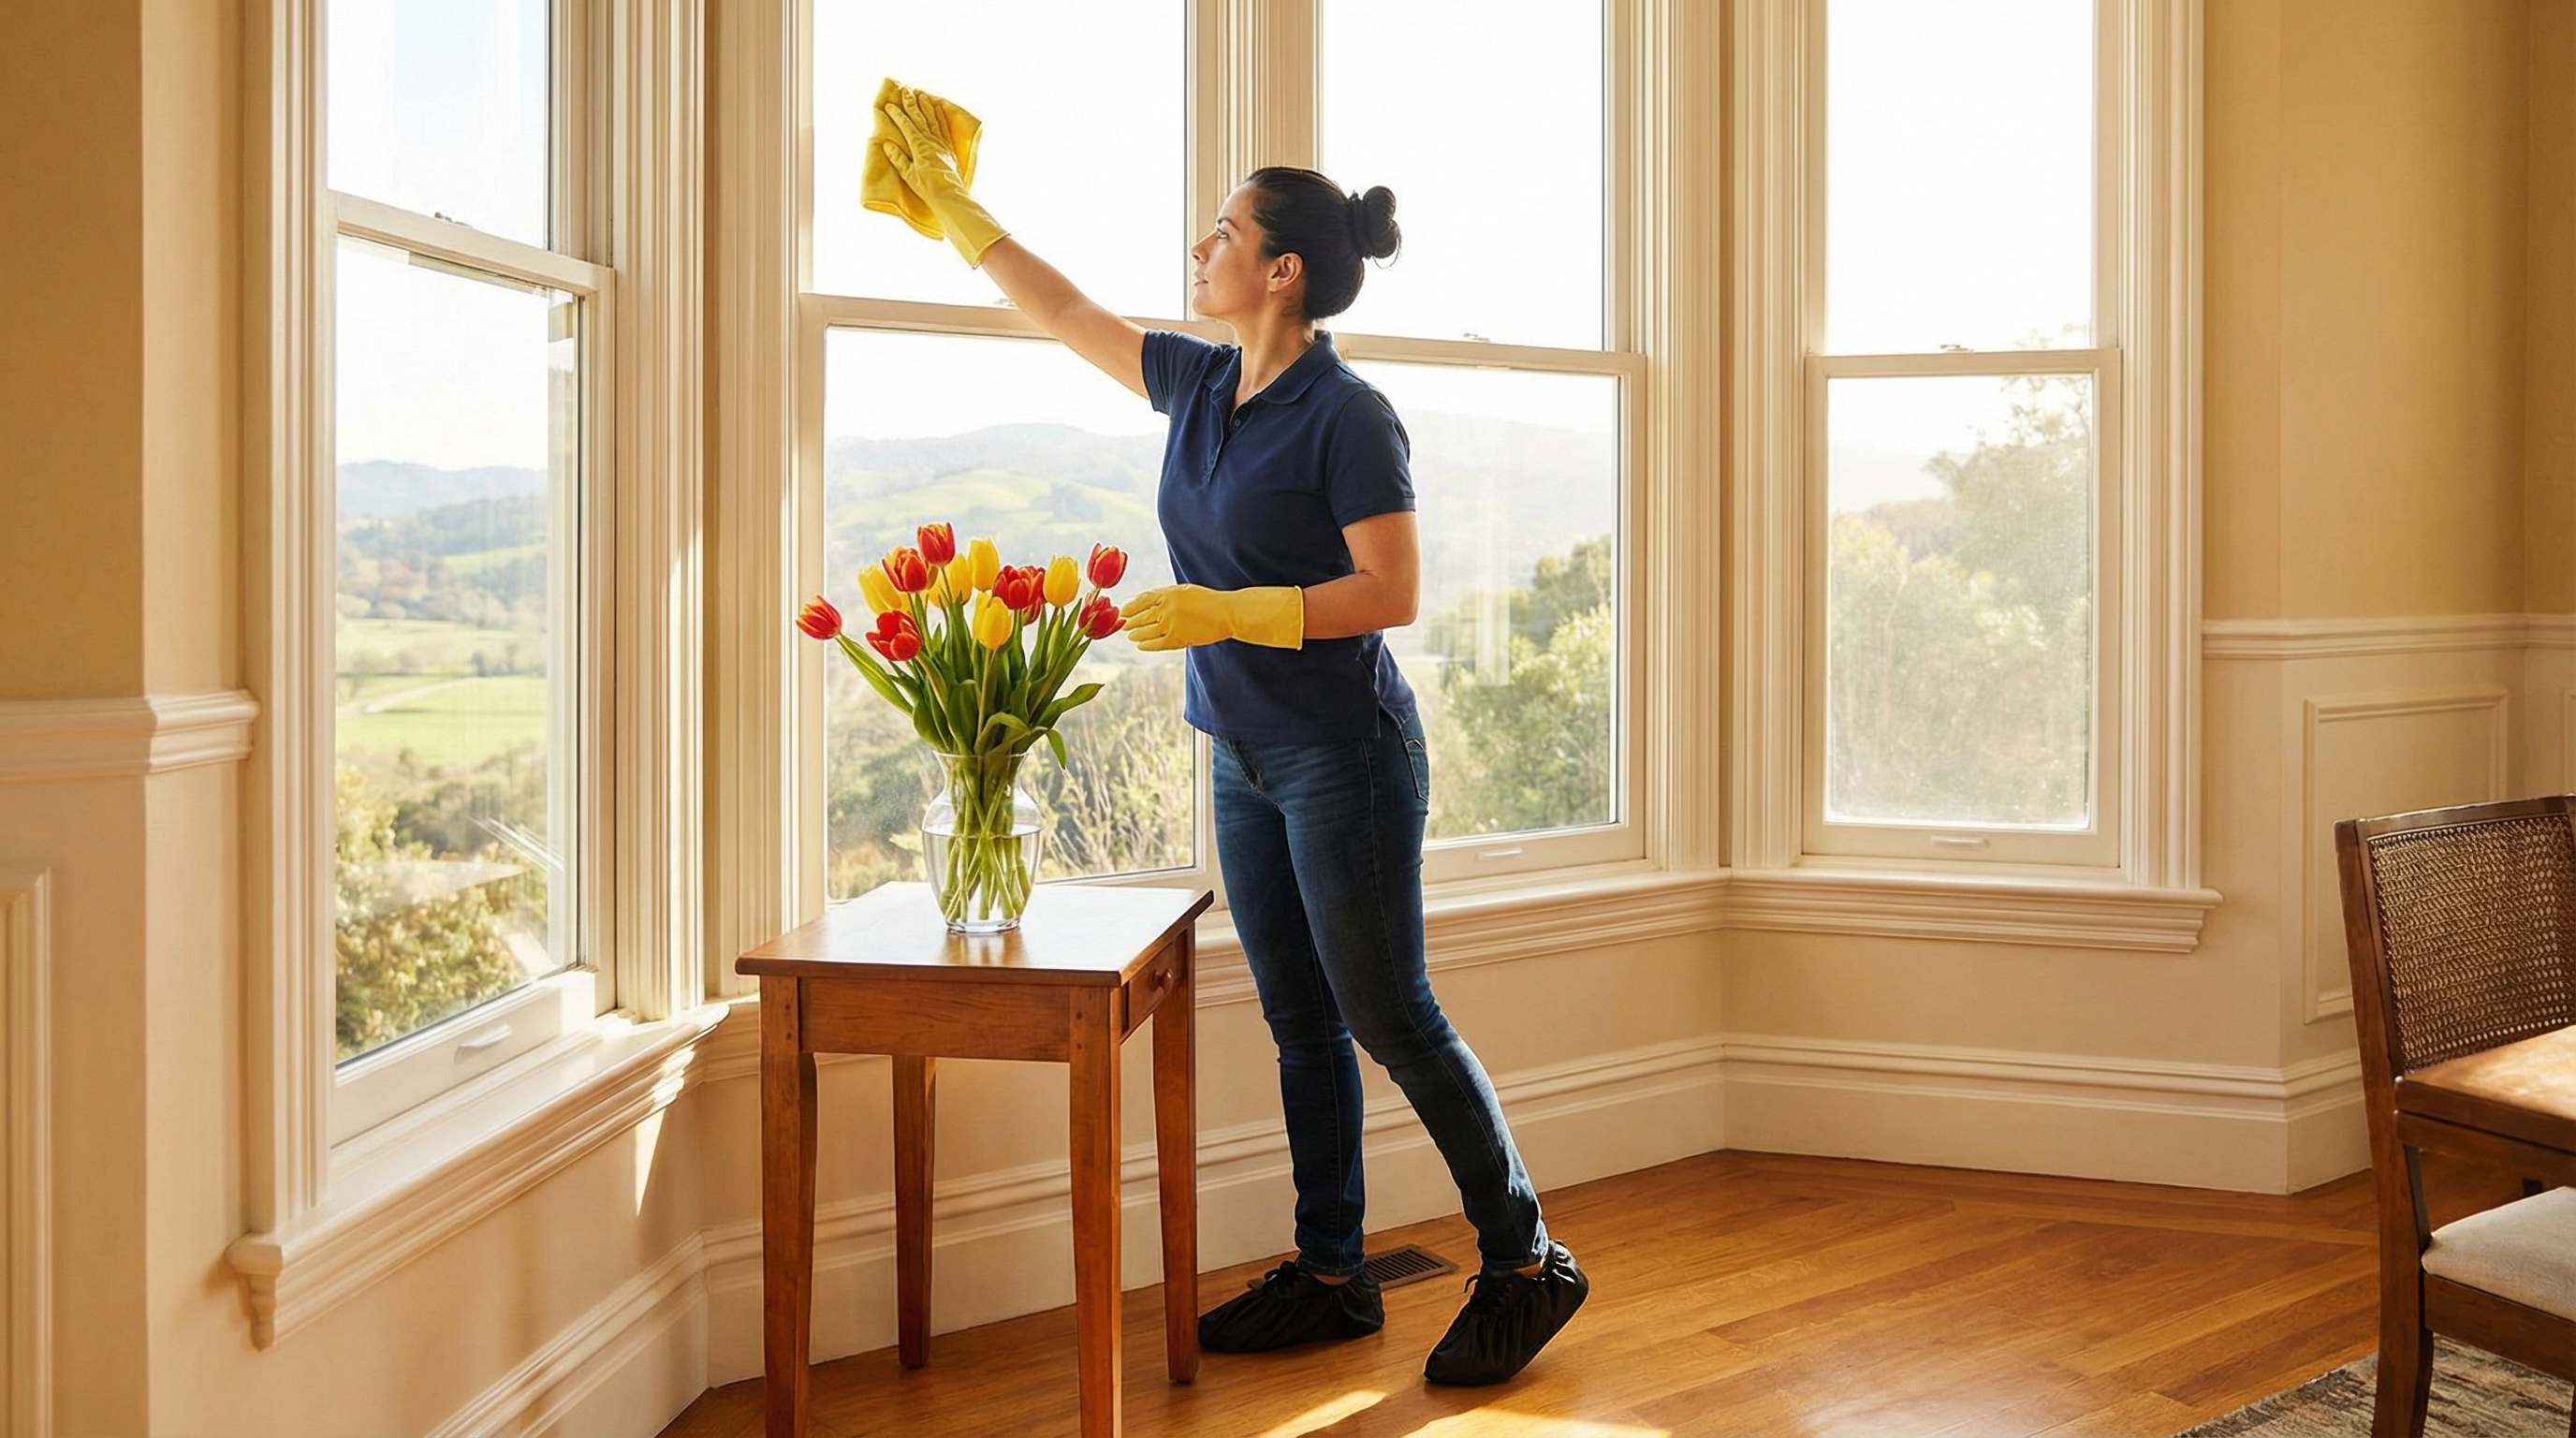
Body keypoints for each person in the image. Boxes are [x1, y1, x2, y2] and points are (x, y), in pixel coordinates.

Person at [871, 82, 1588, 1387]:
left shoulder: (1349, 414)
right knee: (1299, 1018)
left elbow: (1393, 593)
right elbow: (1065, 312)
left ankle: (1527, 1261)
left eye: (1221, 232)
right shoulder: (1201, 382)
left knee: (1391, 1014)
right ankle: (1333, 1273)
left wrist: (1234, 610)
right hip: (1240, 751)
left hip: (1343, 757)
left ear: (1281, 270)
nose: (1199, 249)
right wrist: (957, 215)